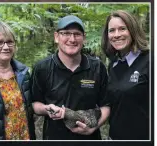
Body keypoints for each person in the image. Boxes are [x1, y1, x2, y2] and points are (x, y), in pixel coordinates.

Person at [30, 15, 110, 140]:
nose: (72, 39)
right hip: (54, 137)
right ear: (56, 37)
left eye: (77, 34)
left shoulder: (97, 67)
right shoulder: (42, 68)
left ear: (84, 38)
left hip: (90, 139)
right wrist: (47, 109)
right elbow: (35, 103)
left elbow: (106, 105)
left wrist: (93, 128)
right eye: (66, 33)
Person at [101, 10, 149, 140]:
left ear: (133, 30)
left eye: (122, 29)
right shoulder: (113, 65)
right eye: (112, 30)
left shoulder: (150, 61)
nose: (116, 35)